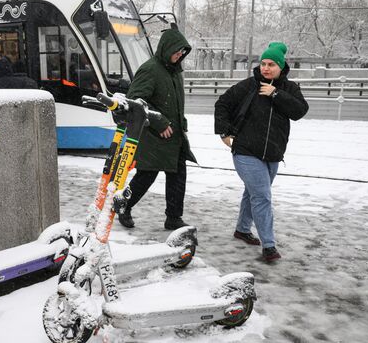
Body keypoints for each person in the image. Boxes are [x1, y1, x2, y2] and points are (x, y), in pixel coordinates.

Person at [214, 42, 309, 262]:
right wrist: (224, 133)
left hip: (273, 153)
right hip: (246, 151)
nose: (266, 68)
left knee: (253, 192)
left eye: (271, 64)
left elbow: (300, 111)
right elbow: (222, 103)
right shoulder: (249, 85)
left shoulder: (289, 89)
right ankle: (269, 246)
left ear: (281, 67)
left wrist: (276, 94)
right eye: (263, 63)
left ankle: (242, 229)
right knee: (262, 196)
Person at [118, 26, 197, 231]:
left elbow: (175, 102)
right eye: (176, 51)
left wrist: (182, 123)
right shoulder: (150, 69)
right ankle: (123, 206)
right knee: (146, 176)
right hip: (155, 135)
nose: (179, 55)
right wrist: (159, 121)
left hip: (175, 136)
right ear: (166, 48)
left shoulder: (175, 71)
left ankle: (173, 217)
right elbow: (135, 100)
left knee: (178, 176)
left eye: (182, 52)